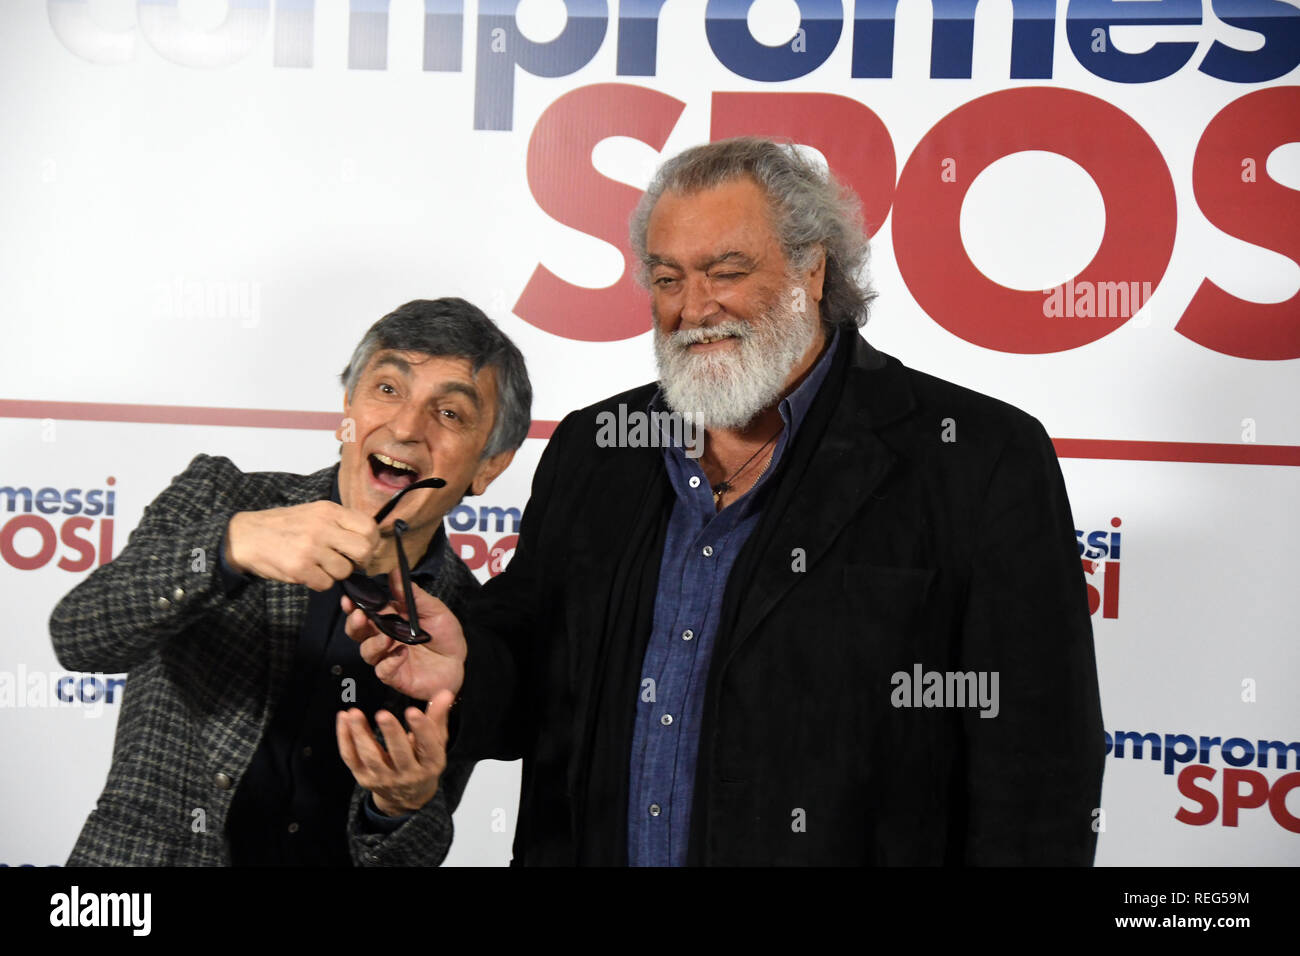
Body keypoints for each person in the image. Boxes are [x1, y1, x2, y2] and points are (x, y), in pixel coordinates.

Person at [350, 138, 1106, 865]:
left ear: (812, 270)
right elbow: (533, 670)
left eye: (726, 270)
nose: (694, 307)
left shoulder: (976, 458)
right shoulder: (596, 446)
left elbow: (1039, 768)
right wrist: (467, 661)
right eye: (668, 278)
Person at [49, 297, 531, 866]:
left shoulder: (467, 627)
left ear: (488, 466)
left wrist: (401, 804)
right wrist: (227, 548)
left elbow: (415, 854)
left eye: (449, 413)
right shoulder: (223, 499)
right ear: (346, 409)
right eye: (387, 389)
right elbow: (78, 635)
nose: (405, 426)